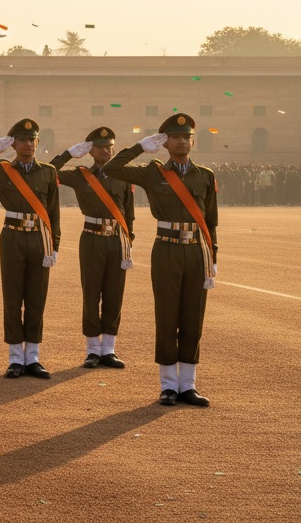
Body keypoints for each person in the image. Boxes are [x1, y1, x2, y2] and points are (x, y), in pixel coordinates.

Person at [104, 114, 217, 407]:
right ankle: (168, 385)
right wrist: (140, 147)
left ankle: (188, 385)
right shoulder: (153, 173)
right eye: (175, 137)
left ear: (193, 141)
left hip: (196, 250)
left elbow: (211, 219)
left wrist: (213, 255)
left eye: (186, 137)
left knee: (193, 317)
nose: (182, 141)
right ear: (165, 142)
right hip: (166, 249)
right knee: (167, 316)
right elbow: (112, 167)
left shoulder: (204, 175)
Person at [0, 119, 61, 379]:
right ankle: (16, 358)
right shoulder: (1, 170)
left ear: (38, 142)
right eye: (22, 140)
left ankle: (34, 357)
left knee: (37, 298)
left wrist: (55, 245)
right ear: (13, 144)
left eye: (32, 140)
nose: (28, 144)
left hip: (40, 237)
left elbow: (53, 212)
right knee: (14, 296)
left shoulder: (48, 171)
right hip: (13, 237)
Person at [51, 127, 136, 369]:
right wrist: (68, 154)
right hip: (91, 238)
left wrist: (129, 242)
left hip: (117, 239)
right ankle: (92, 350)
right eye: (100, 147)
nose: (106, 151)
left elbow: (128, 213)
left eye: (109, 146)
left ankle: (109, 349)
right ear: (91, 150)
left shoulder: (123, 175)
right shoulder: (80, 175)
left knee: (114, 293)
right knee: (91, 293)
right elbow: (47, 172)